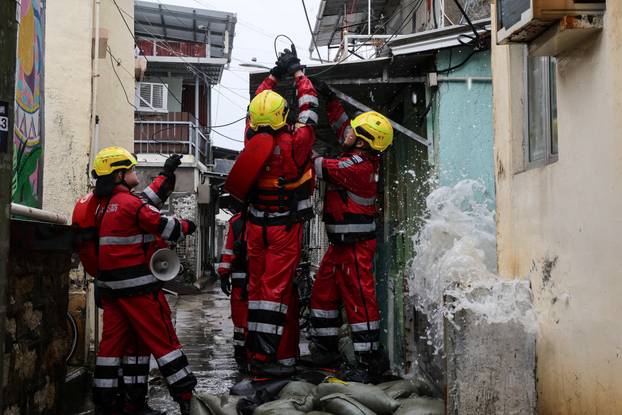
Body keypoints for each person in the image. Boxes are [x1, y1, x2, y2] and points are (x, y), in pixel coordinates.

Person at [86, 147, 197, 415]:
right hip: (141, 291)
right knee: (164, 342)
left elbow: (145, 200)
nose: (135, 172)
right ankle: (186, 398)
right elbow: (160, 223)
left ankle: (115, 404)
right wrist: (186, 226)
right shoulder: (130, 205)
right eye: (131, 169)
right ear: (119, 175)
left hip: (112, 292)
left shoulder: (101, 206)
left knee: (116, 347)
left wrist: (166, 174)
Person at [308, 80, 393, 383]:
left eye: (354, 133)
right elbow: (345, 127)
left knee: (360, 302)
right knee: (322, 296)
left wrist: (300, 130)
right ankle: (326, 352)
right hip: (340, 245)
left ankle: (369, 361)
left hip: (356, 248)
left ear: (362, 141)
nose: (348, 132)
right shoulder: (360, 154)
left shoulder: (355, 168)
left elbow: (315, 164)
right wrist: (330, 100)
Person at [243, 48, 318, 377]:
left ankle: (276, 357)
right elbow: (309, 107)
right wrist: (298, 74)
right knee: (275, 292)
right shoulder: (296, 141)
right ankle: (265, 359)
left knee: (261, 289)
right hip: (284, 227)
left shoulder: (249, 138)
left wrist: (273, 74)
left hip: (255, 226)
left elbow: (258, 102)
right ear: (282, 116)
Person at [216, 201, 249, 371]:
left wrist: (223, 274)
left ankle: (241, 356)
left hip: (239, 280)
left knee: (240, 319)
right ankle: (258, 354)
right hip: (262, 281)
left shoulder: (236, 222)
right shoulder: (270, 220)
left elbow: (228, 250)